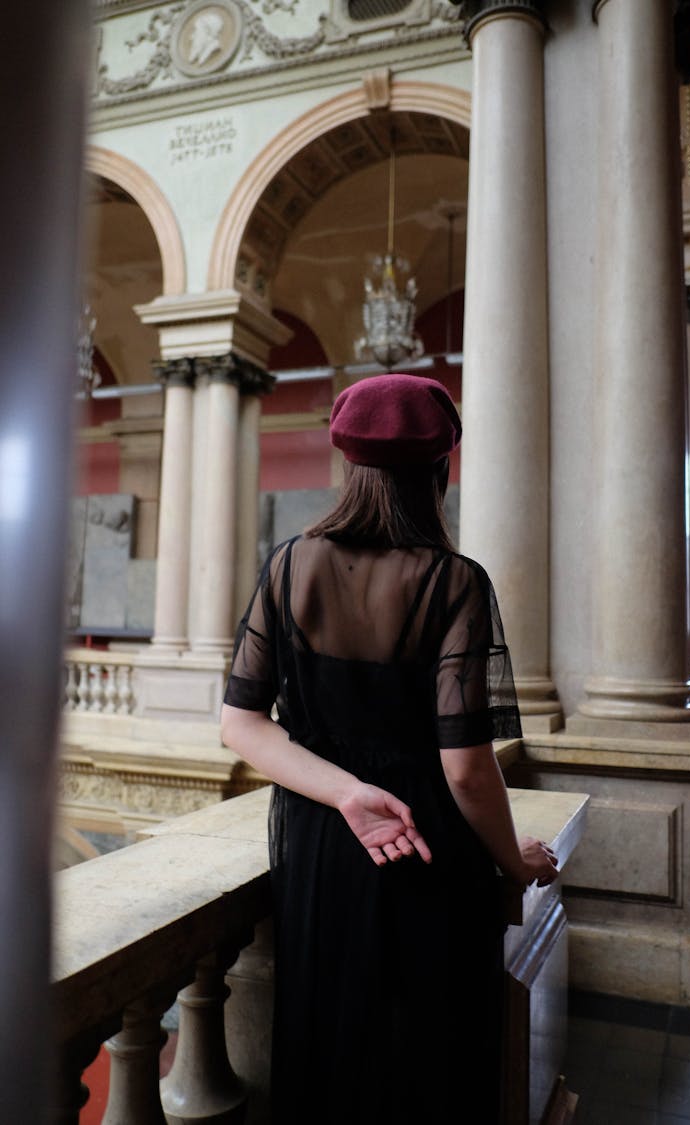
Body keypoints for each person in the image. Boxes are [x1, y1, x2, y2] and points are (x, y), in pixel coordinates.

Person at [220, 372, 558, 1124]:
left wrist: (344, 793)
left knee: (332, 1055)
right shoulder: (455, 583)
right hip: (428, 851)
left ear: (350, 465)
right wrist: (515, 858)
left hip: (321, 845)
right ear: (437, 471)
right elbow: (466, 768)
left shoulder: (286, 566)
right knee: (427, 1067)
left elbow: (241, 725)